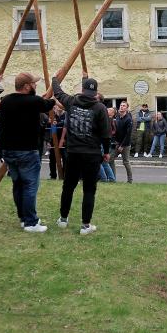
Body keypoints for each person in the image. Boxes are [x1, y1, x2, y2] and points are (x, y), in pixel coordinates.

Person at [0, 72, 56, 232]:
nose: (35, 85)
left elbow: (2, 126)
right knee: (30, 186)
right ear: (26, 86)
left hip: (9, 150)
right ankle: (31, 223)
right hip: (27, 151)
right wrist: (52, 99)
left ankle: (23, 219)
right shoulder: (34, 101)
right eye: (33, 83)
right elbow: (47, 104)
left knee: (18, 185)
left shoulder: (6, 101)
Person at [52, 76, 111, 235]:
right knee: (89, 189)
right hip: (91, 154)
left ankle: (63, 219)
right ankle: (85, 225)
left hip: (73, 153)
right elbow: (106, 134)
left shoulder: (71, 102)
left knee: (68, 186)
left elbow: (57, 93)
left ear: (82, 90)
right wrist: (106, 152)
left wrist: (55, 79)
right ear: (95, 92)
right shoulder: (100, 108)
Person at [110, 101, 134, 183]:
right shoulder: (117, 117)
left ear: (127, 108)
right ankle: (113, 178)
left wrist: (122, 146)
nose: (121, 107)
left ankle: (130, 180)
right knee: (110, 159)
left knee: (126, 162)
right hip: (117, 143)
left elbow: (128, 135)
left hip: (125, 145)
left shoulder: (128, 119)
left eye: (124, 106)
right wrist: (115, 142)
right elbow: (116, 131)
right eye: (121, 105)